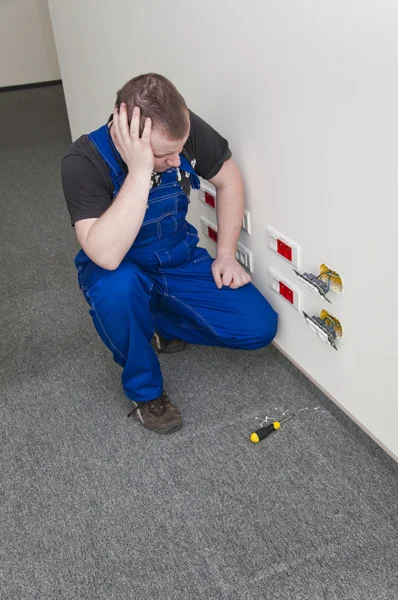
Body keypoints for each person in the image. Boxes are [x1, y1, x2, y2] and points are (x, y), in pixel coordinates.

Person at [61, 73, 278, 434]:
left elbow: (229, 180)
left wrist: (225, 254)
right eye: (165, 154)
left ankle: (156, 320)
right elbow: (105, 255)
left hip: (176, 259)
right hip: (119, 268)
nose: (178, 161)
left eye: (180, 150)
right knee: (116, 291)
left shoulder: (179, 130)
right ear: (127, 131)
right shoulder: (82, 161)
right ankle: (145, 391)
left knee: (258, 327)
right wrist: (141, 170)